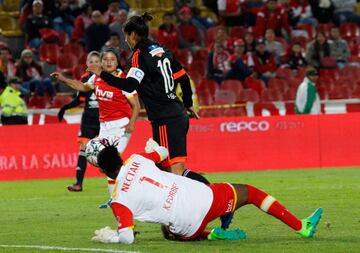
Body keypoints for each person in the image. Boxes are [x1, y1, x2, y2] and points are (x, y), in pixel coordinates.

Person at [91, 138, 323, 244]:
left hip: (188, 228)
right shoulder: (136, 159)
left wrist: (112, 238)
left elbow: (128, 238)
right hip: (205, 199)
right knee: (250, 193)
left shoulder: (118, 199)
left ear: (102, 170)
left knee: (171, 231)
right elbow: (162, 152)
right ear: (119, 156)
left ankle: (209, 234)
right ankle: (302, 227)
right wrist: (153, 148)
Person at [86, 12, 210, 185]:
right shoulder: (162, 49)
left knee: (174, 172)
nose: (126, 40)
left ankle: (212, 193)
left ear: (134, 35)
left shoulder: (138, 55)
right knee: (163, 168)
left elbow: (130, 85)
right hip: (176, 113)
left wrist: (102, 74)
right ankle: (206, 195)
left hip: (165, 118)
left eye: (126, 35)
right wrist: (188, 104)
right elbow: (183, 77)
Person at [51, 48, 140, 195]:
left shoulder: (123, 80)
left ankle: (131, 191)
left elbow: (136, 105)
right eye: (105, 59)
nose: (109, 62)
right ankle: (115, 198)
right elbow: (82, 86)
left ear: (117, 62)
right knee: (106, 165)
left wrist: (131, 123)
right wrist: (64, 79)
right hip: (104, 127)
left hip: (120, 126)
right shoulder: (96, 78)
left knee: (112, 162)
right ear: (101, 62)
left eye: (112, 59)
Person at [58, 51, 101, 192]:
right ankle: (78, 183)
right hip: (88, 119)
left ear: (101, 63)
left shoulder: (108, 78)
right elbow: (80, 99)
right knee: (83, 148)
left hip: (104, 119)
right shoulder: (84, 79)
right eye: (91, 61)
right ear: (87, 64)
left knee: (109, 151)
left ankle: (118, 184)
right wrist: (65, 107)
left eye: (96, 61)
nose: (94, 63)